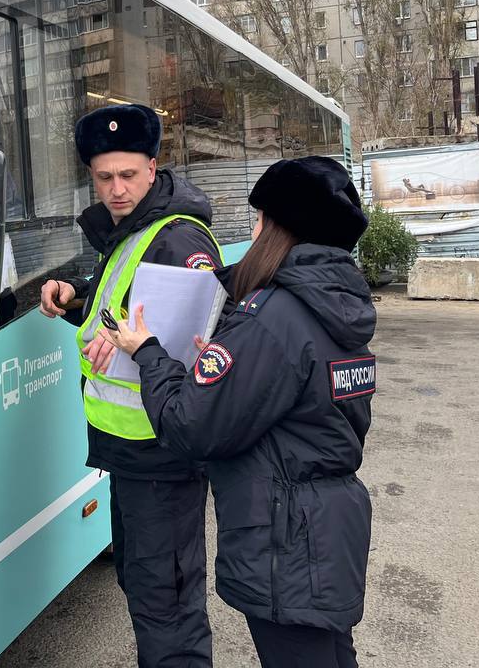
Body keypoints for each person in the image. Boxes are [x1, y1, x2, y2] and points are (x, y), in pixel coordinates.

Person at [92, 156, 376, 668]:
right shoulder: (336, 307)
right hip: (327, 525)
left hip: (286, 536)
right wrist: (228, 363)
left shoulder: (272, 316)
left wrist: (150, 353)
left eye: (259, 219)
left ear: (280, 229)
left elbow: (192, 426)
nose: (252, 229)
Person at [39, 102, 223, 668]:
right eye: (103, 178)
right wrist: (76, 300)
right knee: (147, 591)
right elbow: (120, 315)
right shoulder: (130, 232)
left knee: (165, 602)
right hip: (133, 452)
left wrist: (130, 342)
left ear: (153, 167)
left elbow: (194, 346)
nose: (116, 189)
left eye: (128, 175)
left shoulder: (177, 240)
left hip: (161, 453)